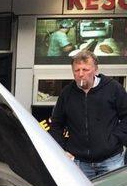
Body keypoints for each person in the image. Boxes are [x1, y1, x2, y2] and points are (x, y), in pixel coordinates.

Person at [50, 50, 127, 178]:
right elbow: (56, 124)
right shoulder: (67, 93)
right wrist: (62, 149)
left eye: (85, 70)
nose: (81, 74)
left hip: (111, 159)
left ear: (95, 70)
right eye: (77, 70)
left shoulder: (113, 88)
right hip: (79, 162)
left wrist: (115, 138)